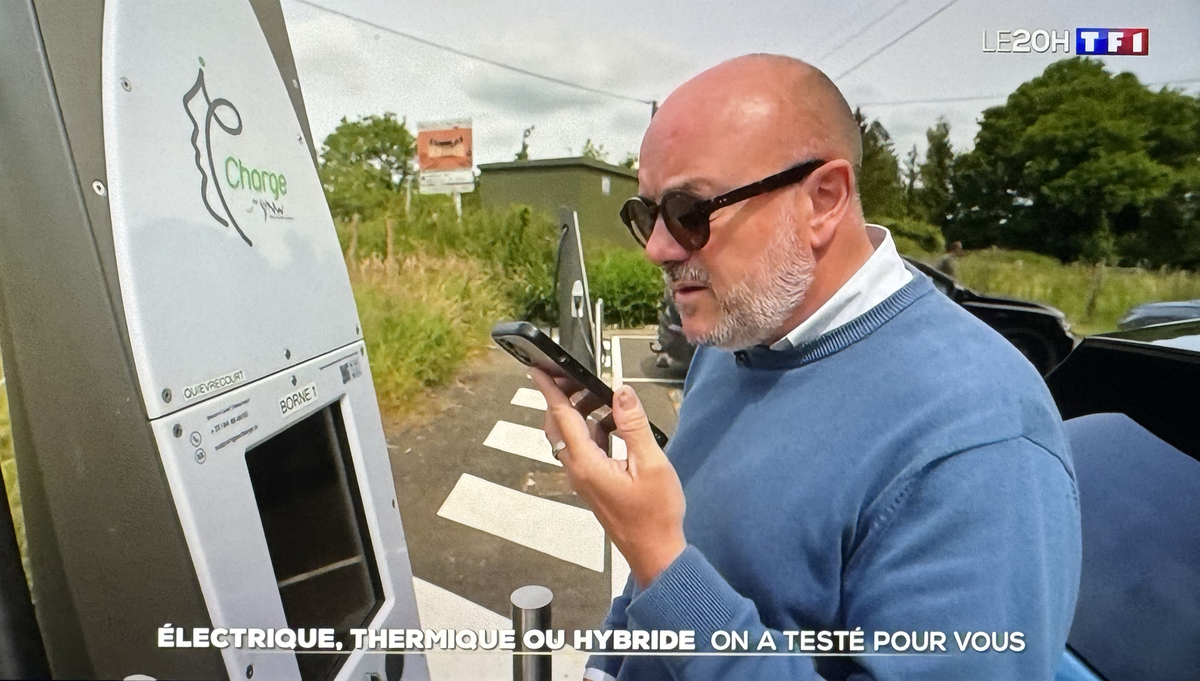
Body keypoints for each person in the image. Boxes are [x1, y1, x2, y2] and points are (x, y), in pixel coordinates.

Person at [532, 54, 1080, 681]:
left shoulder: (980, 440)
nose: (658, 247)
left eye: (688, 213)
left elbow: (670, 566)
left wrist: (657, 556)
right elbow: (683, 563)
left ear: (824, 199)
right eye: (645, 215)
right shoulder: (738, 336)